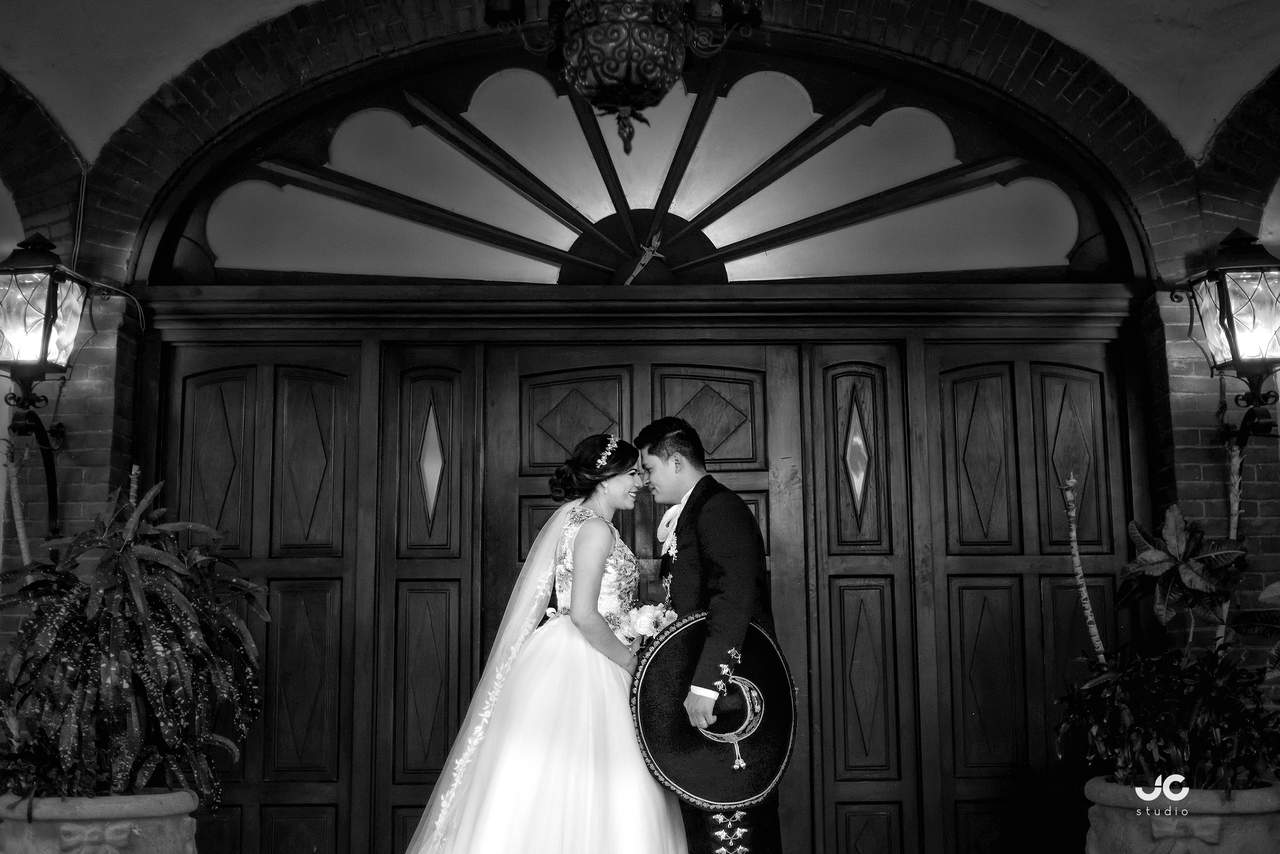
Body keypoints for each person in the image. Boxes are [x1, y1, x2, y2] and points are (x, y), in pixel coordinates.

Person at [404, 434, 687, 854]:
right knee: (597, 774)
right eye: (630, 474)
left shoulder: (580, 522)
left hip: (573, 651)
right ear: (604, 478)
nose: (638, 483)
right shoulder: (595, 530)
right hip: (590, 658)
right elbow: (584, 614)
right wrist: (631, 662)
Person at [634, 416, 783, 854]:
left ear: (676, 462)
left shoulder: (719, 509)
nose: (646, 480)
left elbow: (732, 600)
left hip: (730, 695)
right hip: (705, 694)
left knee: (734, 825)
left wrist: (707, 685)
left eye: (650, 468)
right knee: (705, 822)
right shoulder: (695, 511)